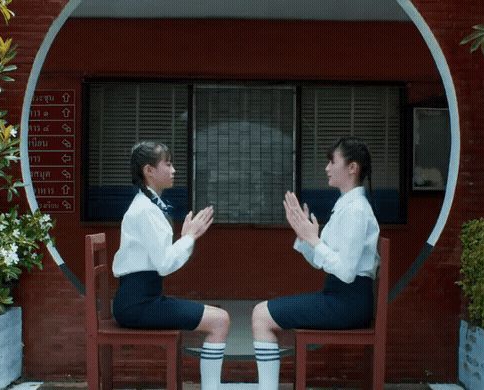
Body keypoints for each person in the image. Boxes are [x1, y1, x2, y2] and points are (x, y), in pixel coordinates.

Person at [251, 136, 380, 390]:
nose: (327, 168)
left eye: (332, 161)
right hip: (340, 298)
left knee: (261, 315)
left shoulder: (356, 210)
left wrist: (314, 240)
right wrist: (305, 237)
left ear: (352, 168)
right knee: (262, 313)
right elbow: (321, 263)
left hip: (348, 303)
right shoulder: (346, 206)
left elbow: (344, 272)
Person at [112, 141, 230, 390]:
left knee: (218, 316)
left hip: (141, 299)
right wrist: (189, 237)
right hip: (138, 304)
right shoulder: (145, 210)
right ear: (149, 170)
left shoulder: (148, 206)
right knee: (220, 320)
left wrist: (187, 238)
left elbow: (164, 259)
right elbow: (165, 264)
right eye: (168, 163)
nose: (174, 169)